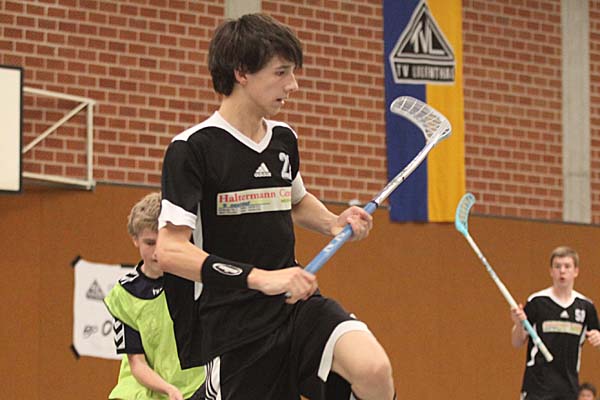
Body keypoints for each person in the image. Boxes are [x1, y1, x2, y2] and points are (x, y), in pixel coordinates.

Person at [156, 13, 395, 400]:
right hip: (234, 323)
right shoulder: (193, 149)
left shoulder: (283, 139)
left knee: (373, 368)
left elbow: (294, 201)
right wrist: (260, 278)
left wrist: (333, 222)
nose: (293, 85)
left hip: (294, 304)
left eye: (292, 73)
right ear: (242, 73)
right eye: (281, 72)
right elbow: (169, 250)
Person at [104, 192, 205, 400]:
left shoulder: (197, 280)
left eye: (163, 243)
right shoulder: (125, 294)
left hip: (198, 387)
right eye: (150, 243)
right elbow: (137, 363)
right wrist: (169, 389)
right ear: (135, 240)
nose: (157, 253)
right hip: (149, 390)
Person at [510, 246, 600, 400]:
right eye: (557, 266)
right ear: (551, 271)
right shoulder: (537, 302)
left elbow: (596, 334)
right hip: (537, 388)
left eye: (567, 266)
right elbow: (517, 342)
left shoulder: (586, 306)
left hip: (568, 389)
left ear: (576, 271)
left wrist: (598, 337)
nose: (562, 271)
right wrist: (519, 324)